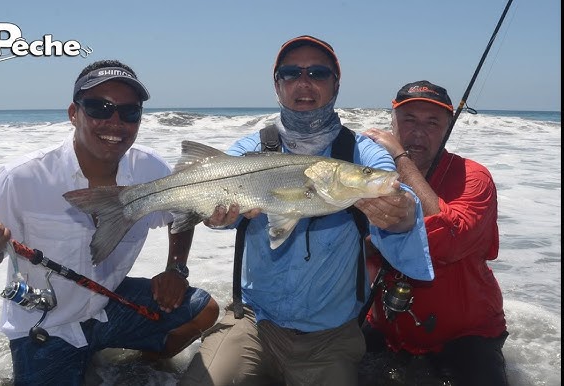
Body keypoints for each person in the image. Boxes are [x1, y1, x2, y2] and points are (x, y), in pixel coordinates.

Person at [179, 35, 433, 386]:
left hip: (330, 335)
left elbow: (402, 201)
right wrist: (216, 216)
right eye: (290, 73)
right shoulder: (250, 149)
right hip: (253, 321)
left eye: (318, 72)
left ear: (336, 85)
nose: (304, 82)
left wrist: (402, 214)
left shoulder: (363, 152)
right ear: (277, 85)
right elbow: (220, 210)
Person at [0, 59, 220, 386]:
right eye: (99, 107)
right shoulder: (22, 178)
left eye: (129, 112)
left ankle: (143, 364)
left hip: (110, 305)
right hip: (46, 325)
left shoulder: (150, 168)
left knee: (204, 311)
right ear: (74, 113)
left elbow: (181, 212)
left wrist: (175, 269)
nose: (115, 122)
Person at [361, 80, 508, 385]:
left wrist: (401, 160)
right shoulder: (366, 173)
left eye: (432, 122)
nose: (418, 132)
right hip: (388, 330)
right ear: (393, 122)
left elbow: (448, 240)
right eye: (409, 120)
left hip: (466, 335)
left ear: (447, 127)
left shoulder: (474, 178)